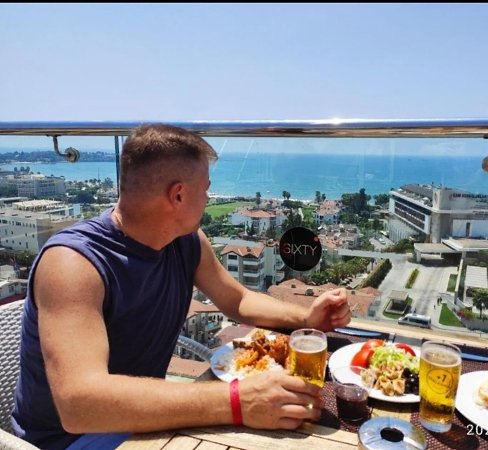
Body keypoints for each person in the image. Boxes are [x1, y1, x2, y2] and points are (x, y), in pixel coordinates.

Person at [11, 124, 351, 450]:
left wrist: (307, 316)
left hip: (145, 419)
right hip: (73, 440)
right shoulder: (73, 264)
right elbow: (79, 405)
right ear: (178, 195)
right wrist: (237, 401)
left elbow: (238, 300)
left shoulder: (185, 242)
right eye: (205, 189)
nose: (207, 198)